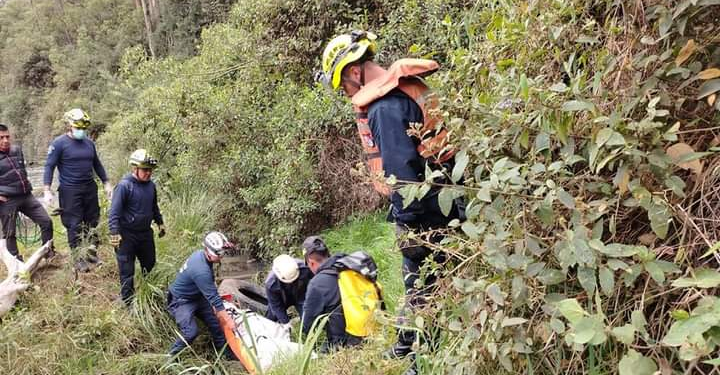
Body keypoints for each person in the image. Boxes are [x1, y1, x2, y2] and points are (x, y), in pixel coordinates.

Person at [317, 31, 465, 369]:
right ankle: (405, 343)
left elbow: (402, 174)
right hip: (444, 197)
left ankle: (421, 359)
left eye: (343, 85)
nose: (346, 93)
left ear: (354, 72)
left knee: (427, 284)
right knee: (416, 281)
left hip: (426, 212)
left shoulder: (384, 107)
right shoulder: (401, 91)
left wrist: (407, 223)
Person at [43, 108, 113, 272]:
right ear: (69, 125)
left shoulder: (89, 143)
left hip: (89, 187)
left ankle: (91, 253)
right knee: (74, 224)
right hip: (70, 190)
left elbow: (97, 164)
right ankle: (77, 257)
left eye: (83, 128)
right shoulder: (59, 144)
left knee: (92, 221)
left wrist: (107, 182)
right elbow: (49, 166)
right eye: (78, 127)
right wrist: (47, 189)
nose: (81, 131)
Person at [108, 149, 165, 305]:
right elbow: (114, 212)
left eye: (150, 170)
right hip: (126, 236)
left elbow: (154, 207)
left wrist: (160, 222)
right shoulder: (124, 186)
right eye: (145, 170)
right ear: (135, 168)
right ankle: (128, 302)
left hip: (145, 234)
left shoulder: (151, 186)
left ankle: (149, 295)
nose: (148, 173)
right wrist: (114, 231)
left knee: (150, 265)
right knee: (127, 271)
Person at [167, 231, 237, 358]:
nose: (223, 256)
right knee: (190, 333)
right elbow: (214, 298)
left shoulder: (202, 256)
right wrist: (228, 320)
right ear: (211, 253)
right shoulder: (201, 270)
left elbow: (210, 288)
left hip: (197, 296)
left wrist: (220, 314)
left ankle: (225, 354)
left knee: (216, 323)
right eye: (221, 253)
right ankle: (171, 356)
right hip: (181, 301)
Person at [0, 124, 54, 261]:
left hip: (26, 195)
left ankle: (48, 253)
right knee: (10, 234)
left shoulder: (17, 150)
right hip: (7, 200)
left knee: (46, 221)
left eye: (7, 137)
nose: (5, 140)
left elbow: (22, 171)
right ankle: (16, 263)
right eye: (1, 138)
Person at [301, 236, 362, 351]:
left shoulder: (317, 284)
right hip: (372, 327)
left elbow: (307, 324)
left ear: (311, 262)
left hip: (345, 344)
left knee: (319, 352)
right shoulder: (350, 262)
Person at [264, 253, 313, 325]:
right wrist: (286, 323)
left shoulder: (305, 268)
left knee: (307, 320)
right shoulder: (271, 284)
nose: (291, 283)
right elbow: (276, 306)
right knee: (272, 317)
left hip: (300, 295)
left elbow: (315, 281)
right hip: (281, 299)